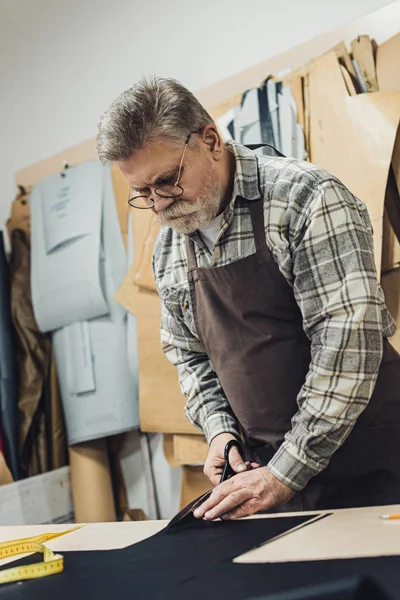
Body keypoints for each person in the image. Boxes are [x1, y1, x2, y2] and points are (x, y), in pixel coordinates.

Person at [97, 76, 400, 520]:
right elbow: (189, 357)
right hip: (272, 475)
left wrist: (285, 472)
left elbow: (348, 348)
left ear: (211, 140)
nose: (159, 205)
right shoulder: (168, 247)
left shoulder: (306, 198)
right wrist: (220, 432)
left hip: (372, 461)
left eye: (168, 180)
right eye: (142, 192)